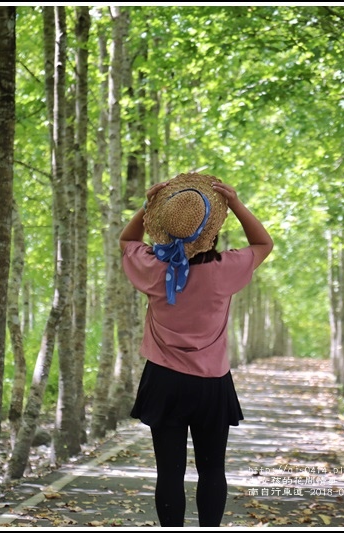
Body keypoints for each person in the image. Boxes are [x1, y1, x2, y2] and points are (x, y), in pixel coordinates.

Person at [119, 172, 273, 527]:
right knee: (212, 470)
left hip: (163, 381)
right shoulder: (224, 270)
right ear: (213, 232)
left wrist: (147, 206)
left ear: (164, 229)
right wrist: (235, 203)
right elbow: (263, 244)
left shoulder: (151, 268)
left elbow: (127, 240)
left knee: (169, 473)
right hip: (211, 383)